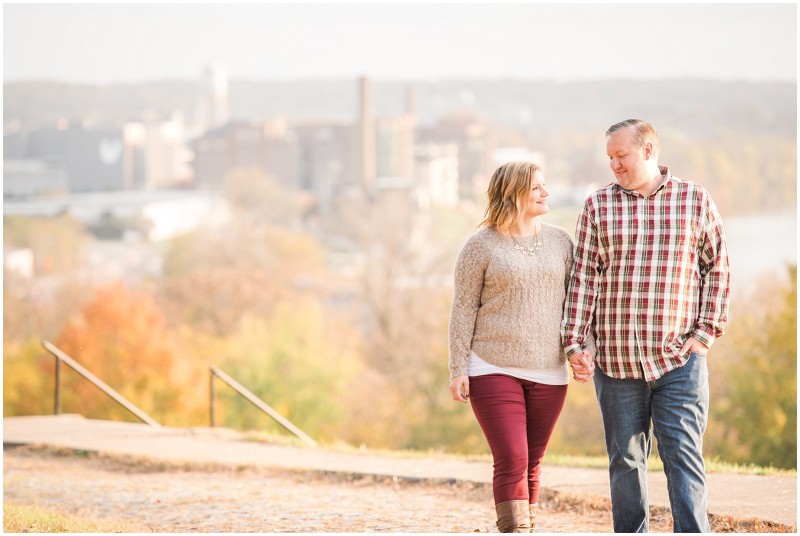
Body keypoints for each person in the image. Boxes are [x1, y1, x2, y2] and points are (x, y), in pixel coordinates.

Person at [561, 119, 730, 533]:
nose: (614, 165)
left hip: (679, 362)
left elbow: (718, 269)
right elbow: (584, 279)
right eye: (610, 158)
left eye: (622, 156)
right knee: (625, 462)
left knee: (683, 458)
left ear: (649, 150)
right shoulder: (598, 206)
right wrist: (574, 343)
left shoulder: (694, 200)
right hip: (616, 366)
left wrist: (704, 335)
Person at [449, 161, 595, 533]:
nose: (545, 193)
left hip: (549, 369)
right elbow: (463, 308)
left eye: (544, 186)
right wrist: (458, 368)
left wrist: (583, 349)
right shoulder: (480, 245)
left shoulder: (561, 240)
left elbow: (578, 300)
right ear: (513, 193)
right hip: (491, 365)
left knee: (531, 460)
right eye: (536, 188)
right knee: (512, 456)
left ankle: (526, 527)